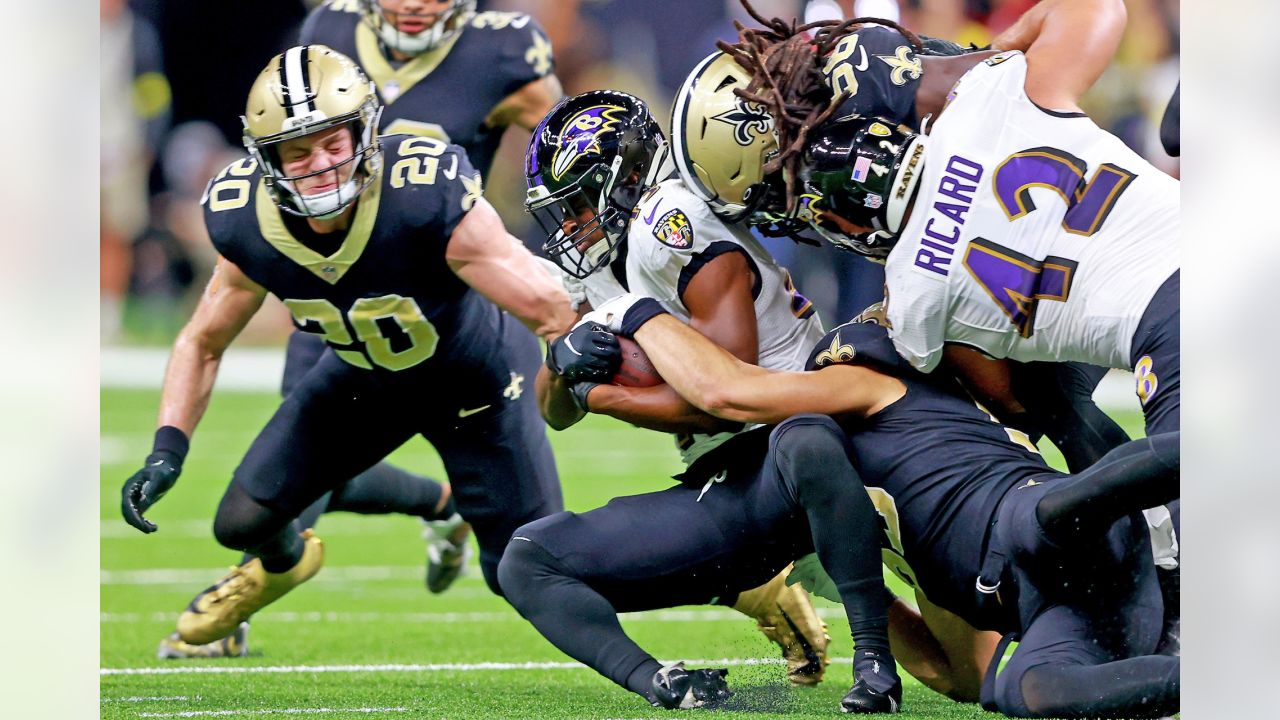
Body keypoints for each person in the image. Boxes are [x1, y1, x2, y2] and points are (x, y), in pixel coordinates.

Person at [119, 46, 575, 650]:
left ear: (366, 133)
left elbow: (552, 308)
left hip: (475, 382)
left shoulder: (422, 192)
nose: (322, 165)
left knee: (520, 572)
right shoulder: (245, 217)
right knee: (241, 522)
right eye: (297, 151)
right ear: (265, 159)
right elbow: (203, 340)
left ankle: (729, 580)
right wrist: (166, 450)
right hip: (368, 378)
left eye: (334, 142)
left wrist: (618, 373)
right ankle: (296, 563)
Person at [570, 293, 1179, 718]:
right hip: (1054, 600)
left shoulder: (868, 386)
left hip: (1032, 521)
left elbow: (730, 393)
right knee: (1024, 690)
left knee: (1057, 510)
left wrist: (637, 315)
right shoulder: (865, 515)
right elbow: (966, 677)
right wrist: (854, 588)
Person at [519, 89, 859, 691]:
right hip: (737, 468)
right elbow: (552, 411)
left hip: (797, 443)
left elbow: (721, 401)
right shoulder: (604, 258)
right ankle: (706, 643)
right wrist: (559, 360)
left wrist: (599, 396)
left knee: (946, 616)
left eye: (576, 204)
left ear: (623, 178)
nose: (569, 225)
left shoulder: (668, 226)